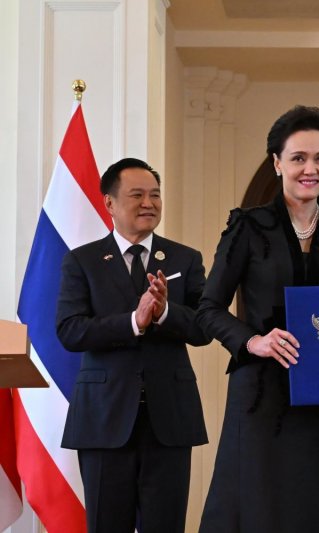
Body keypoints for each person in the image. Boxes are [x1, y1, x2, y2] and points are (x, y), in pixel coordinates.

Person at [197, 105, 319, 532]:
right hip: (260, 397)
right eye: (298, 158)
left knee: (315, 509)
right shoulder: (248, 228)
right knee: (258, 510)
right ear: (277, 163)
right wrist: (252, 341)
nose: (310, 169)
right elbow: (208, 310)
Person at [56, 158, 210, 532]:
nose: (149, 203)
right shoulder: (83, 261)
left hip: (169, 420)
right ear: (109, 203)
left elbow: (205, 326)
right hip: (103, 420)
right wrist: (133, 321)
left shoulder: (185, 259)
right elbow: (70, 330)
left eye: (155, 195)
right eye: (137, 195)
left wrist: (163, 313)